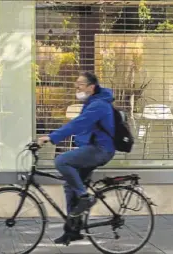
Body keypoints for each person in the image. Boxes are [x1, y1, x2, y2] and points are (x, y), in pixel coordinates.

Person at [38, 71, 116, 244]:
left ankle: (84, 197)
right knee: (69, 186)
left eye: (80, 84)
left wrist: (52, 137)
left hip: (100, 150)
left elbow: (78, 124)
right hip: (92, 148)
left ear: (91, 87)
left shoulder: (99, 105)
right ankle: (72, 230)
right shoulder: (92, 102)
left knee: (61, 161)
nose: (77, 87)